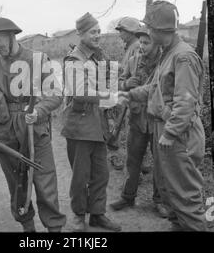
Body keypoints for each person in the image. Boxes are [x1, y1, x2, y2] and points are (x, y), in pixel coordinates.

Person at [0, 17, 66, 232]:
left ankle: (54, 229)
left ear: (11, 36)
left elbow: (55, 95)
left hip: (34, 130)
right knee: (17, 184)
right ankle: (28, 229)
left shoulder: (37, 60)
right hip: (5, 133)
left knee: (45, 183)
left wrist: (39, 111)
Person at [121, 1, 208, 231]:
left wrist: (170, 134)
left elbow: (186, 102)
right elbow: (155, 89)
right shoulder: (168, 54)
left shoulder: (183, 57)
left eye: (149, 27)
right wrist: (130, 96)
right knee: (171, 192)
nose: (147, 32)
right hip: (170, 130)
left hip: (180, 135)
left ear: (160, 29)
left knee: (185, 195)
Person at [61, 12, 121, 232]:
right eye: (92, 32)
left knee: (100, 173)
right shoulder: (74, 59)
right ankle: (78, 215)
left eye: (98, 31)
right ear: (80, 34)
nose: (97, 36)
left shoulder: (99, 56)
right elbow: (79, 92)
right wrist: (108, 97)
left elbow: (107, 83)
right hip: (80, 125)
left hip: (99, 124)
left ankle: (97, 214)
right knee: (80, 175)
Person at [110, 26, 168, 218]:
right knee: (132, 160)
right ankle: (128, 197)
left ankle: (160, 201)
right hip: (135, 119)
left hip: (157, 120)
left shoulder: (165, 62)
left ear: (156, 43)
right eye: (140, 42)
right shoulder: (133, 61)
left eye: (146, 42)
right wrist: (126, 84)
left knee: (160, 162)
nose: (141, 46)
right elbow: (118, 82)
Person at [107, 17, 142, 170]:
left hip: (133, 97)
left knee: (131, 132)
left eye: (122, 31)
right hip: (127, 94)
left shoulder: (136, 47)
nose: (120, 34)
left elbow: (137, 77)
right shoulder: (130, 47)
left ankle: (134, 165)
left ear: (130, 32)